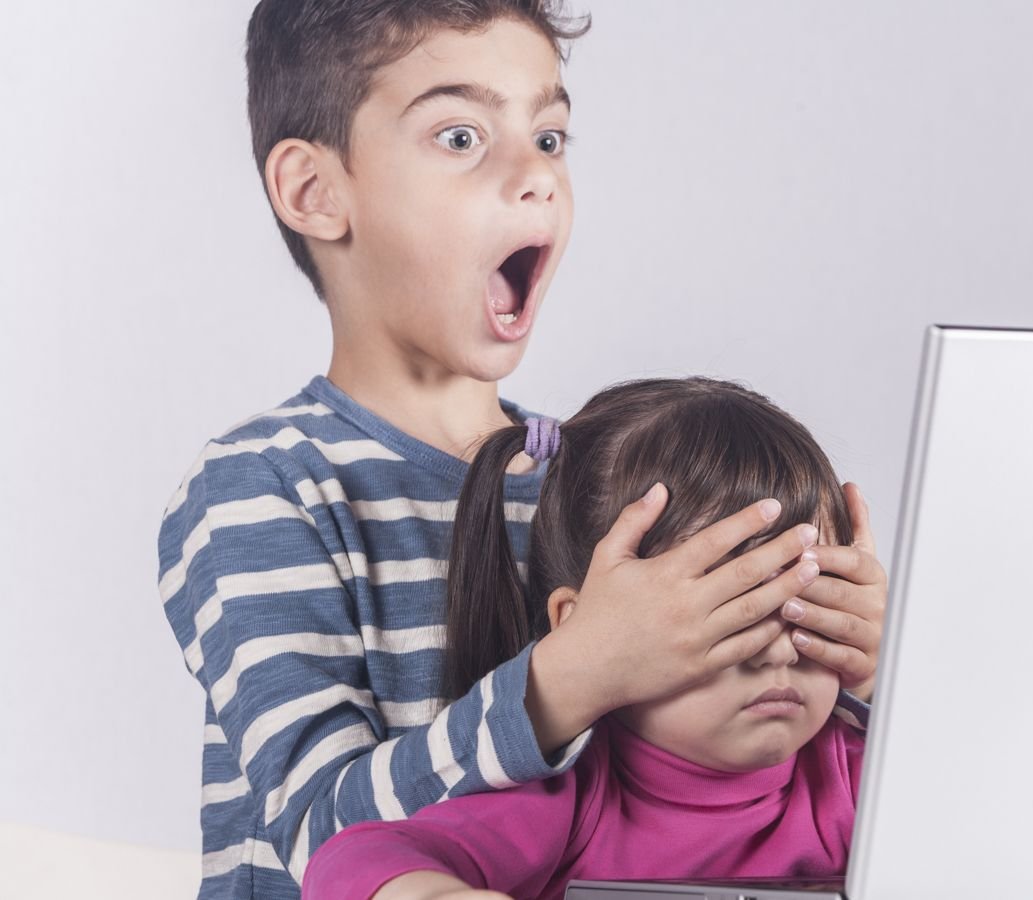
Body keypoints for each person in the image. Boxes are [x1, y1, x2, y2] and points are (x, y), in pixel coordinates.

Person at [156, 3, 887, 896]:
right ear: (316, 191)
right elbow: (323, 832)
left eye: (549, 136)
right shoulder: (260, 490)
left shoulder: (590, 474)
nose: (535, 176)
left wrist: (856, 667)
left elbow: (691, 777)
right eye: (461, 135)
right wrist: (569, 677)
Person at [303, 377, 871, 900]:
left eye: (808, 603)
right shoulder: (572, 800)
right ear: (585, 626)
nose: (779, 649)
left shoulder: (856, 778)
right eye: (728, 611)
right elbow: (354, 857)